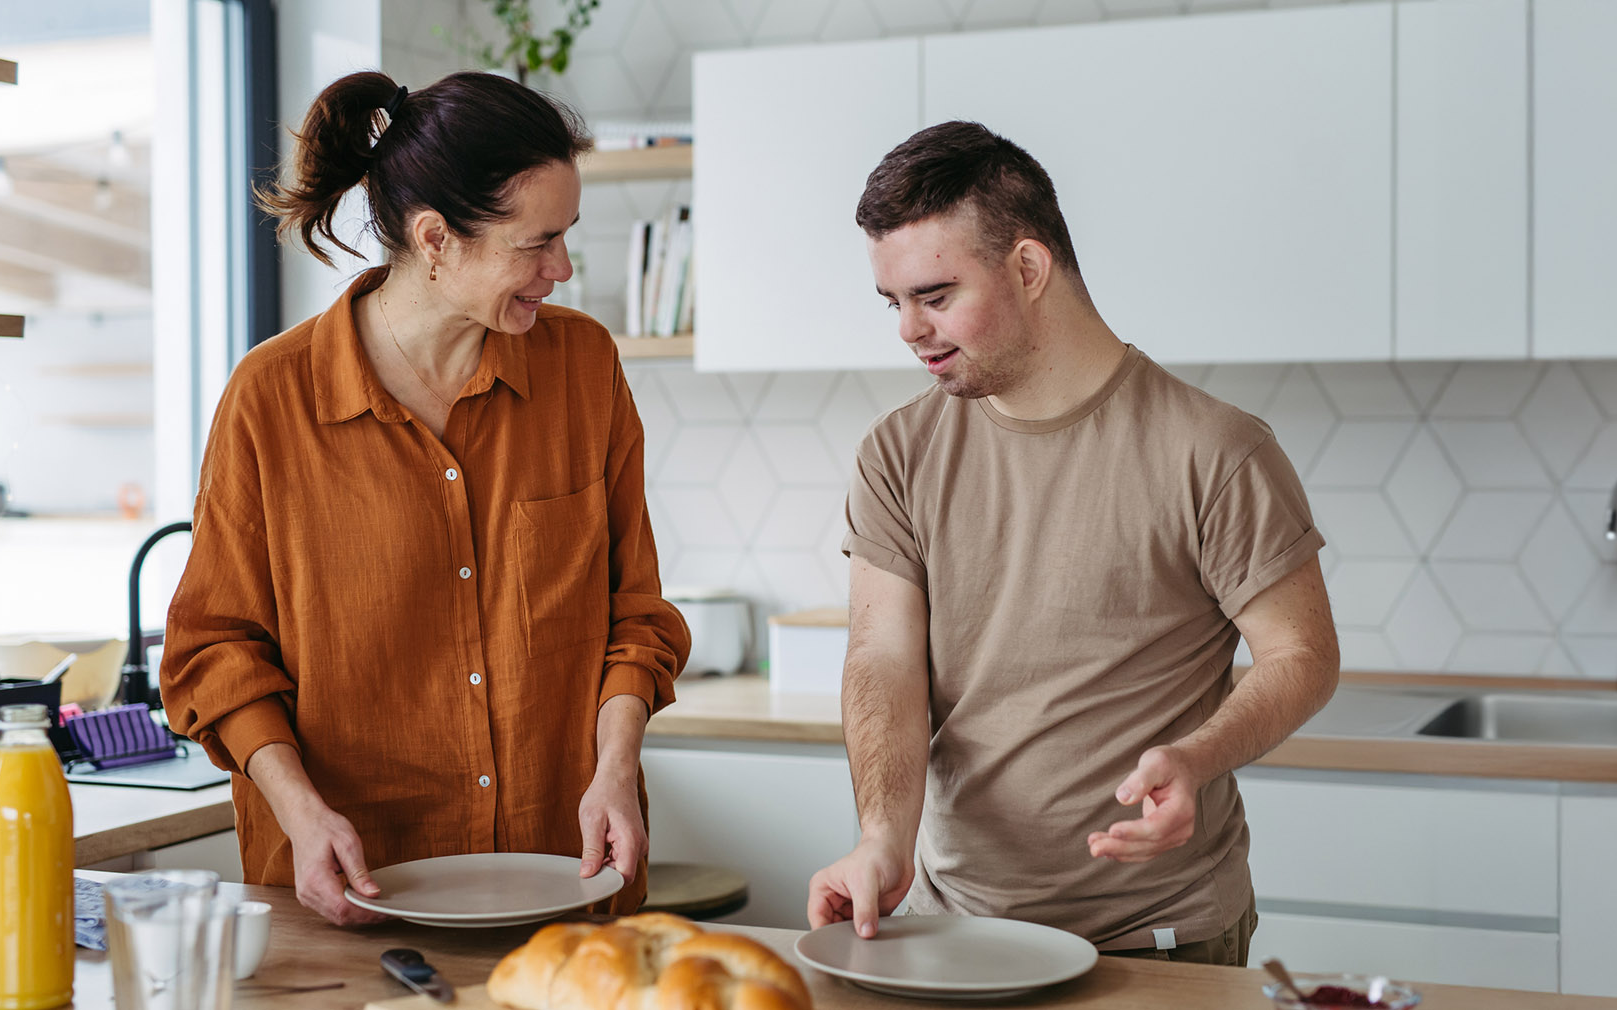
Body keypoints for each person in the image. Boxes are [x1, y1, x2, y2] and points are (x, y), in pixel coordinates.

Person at [803, 121, 1341, 966]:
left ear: (1028, 267)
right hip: (959, 927)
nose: (909, 329)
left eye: (936, 295)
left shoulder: (1215, 450)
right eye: (893, 301)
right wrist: (882, 837)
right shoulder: (899, 453)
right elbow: (883, 663)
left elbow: (1302, 655)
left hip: (1160, 937)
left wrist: (1196, 759)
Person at [161, 70, 688, 926]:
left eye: (567, 237)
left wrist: (616, 765)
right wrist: (298, 811)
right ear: (435, 238)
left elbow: (635, 612)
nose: (560, 268)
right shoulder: (272, 398)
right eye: (535, 244)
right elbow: (214, 650)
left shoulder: (582, 368)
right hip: (362, 896)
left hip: (562, 879)